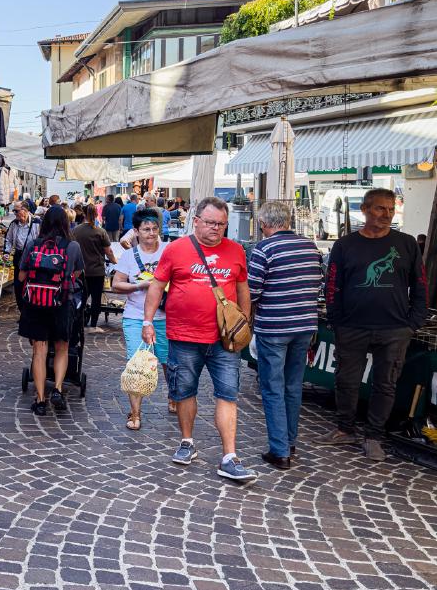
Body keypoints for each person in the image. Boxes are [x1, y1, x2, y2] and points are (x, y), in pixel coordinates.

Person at [142, 196, 255, 483]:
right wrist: (147, 320)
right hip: (184, 335)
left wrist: (243, 321)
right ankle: (187, 442)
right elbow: (156, 286)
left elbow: (243, 289)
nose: (216, 229)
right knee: (184, 391)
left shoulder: (236, 251)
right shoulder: (176, 249)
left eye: (221, 224)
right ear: (197, 221)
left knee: (228, 394)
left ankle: (230, 456)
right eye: (210, 223)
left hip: (224, 339)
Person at [325, 187, 427, 460]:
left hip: (394, 329)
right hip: (352, 327)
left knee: (386, 384)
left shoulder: (405, 244)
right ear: (365, 210)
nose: (387, 214)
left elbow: (420, 286)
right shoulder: (345, 245)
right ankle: (345, 428)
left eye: (391, 209)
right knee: (346, 380)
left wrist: (413, 323)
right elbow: (332, 286)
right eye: (381, 208)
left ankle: (374, 436)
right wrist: (337, 321)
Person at [247, 201, 323, 470]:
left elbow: (253, 293)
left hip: (274, 327)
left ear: (264, 223)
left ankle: (280, 451)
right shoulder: (310, 247)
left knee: (273, 388)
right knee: (293, 386)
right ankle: (290, 442)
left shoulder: (264, 249)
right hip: (304, 325)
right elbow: (317, 282)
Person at [19, 206, 84, 415]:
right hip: (61, 302)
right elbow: (78, 274)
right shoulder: (72, 246)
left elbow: (21, 278)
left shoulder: (32, 244)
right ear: (66, 223)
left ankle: (39, 400)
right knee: (62, 347)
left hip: (36, 303)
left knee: (39, 351)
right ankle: (56, 388)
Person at [113, 210, 170, 430]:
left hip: (165, 316)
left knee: (167, 362)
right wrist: (139, 285)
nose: (151, 233)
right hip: (136, 316)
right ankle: (135, 413)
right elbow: (117, 284)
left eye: (155, 229)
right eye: (146, 229)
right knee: (136, 364)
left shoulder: (168, 250)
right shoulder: (129, 256)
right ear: (135, 231)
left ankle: (173, 396)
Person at [73, 203, 115, 333]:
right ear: (96, 214)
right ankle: (93, 326)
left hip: (80, 271)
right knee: (96, 299)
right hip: (97, 270)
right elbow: (109, 252)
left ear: (84, 214)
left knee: (81, 298)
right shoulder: (100, 232)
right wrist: (115, 261)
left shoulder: (76, 230)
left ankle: (78, 324)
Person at [4, 202, 39, 311]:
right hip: (19, 256)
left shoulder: (37, 223)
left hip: (34, 258)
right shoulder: (14, 224)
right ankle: (23, 311)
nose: (14, 213)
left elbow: (43, 240)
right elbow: (8, 239)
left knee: (32, 284)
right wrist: (6, 252)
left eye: (16, 211)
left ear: (26, 210)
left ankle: (32, 310)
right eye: (14, 211)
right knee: (19, 285)